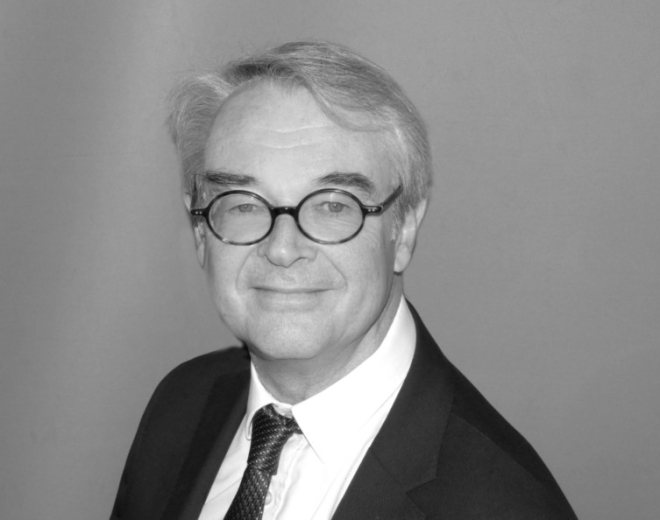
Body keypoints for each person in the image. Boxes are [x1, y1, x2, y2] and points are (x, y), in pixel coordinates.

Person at [110, 41, 577, 520]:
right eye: (244, 204)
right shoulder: (180, 407)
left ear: (403, 229)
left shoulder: (503, 505)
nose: (282, 249)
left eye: (333, 205)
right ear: (201, 230)